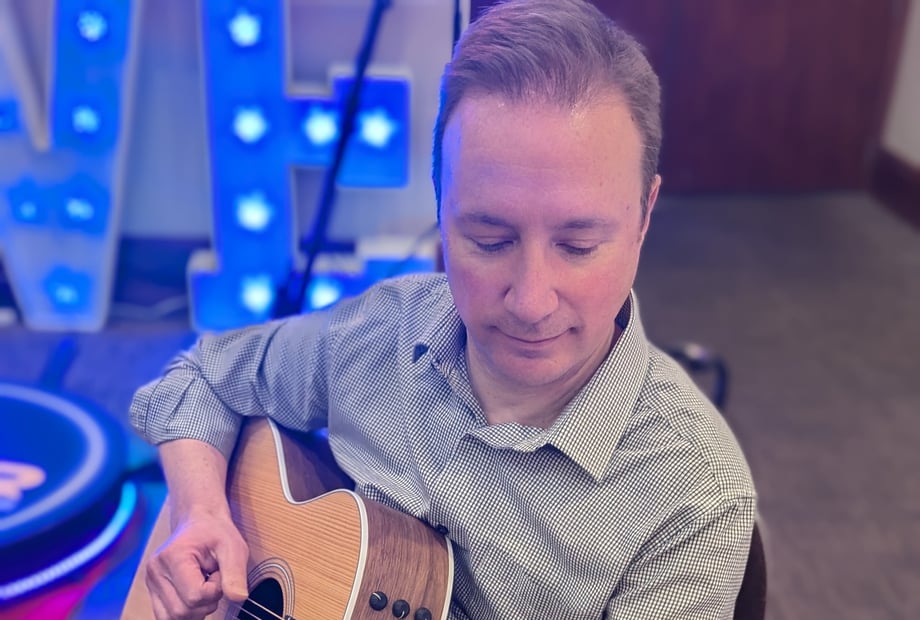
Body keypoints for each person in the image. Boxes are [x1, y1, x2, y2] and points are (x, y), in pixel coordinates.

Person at [130, 0, 757, 618]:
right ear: (439, 207)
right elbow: (201, 376)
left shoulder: (697, 497)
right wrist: (199, 512)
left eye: (578, 246)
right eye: (489, 240)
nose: (531, 302)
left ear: (644, 216)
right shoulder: (382, 329)